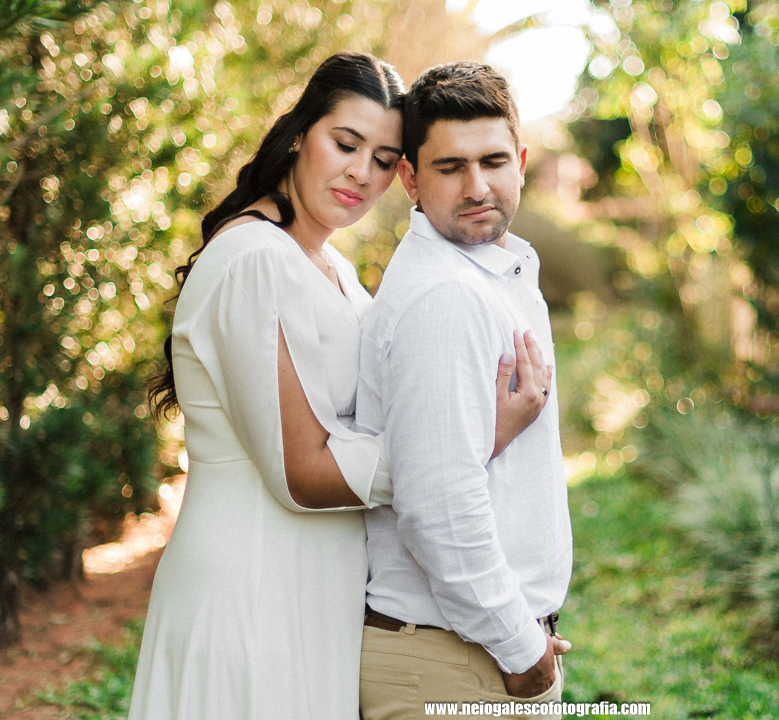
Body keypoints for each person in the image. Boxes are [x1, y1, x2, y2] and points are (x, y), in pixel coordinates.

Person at [131, 53, 549, 720]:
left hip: (318, 590)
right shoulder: (254, 258)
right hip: (253, 584)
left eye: (383, 158)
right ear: (300, 133)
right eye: (345, 144)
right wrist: (473, 436)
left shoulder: (331, 266)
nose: (362, 173)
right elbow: (302, 472)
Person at [354, 61, 573, 720]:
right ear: (410, 179)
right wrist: (522, 649)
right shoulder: (446, 297)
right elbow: (438, 506)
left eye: (493, 161)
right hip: (454, 662)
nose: (477, 187)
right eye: (450, 168)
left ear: (521, 162)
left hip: (467, 654)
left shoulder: (492, 274)